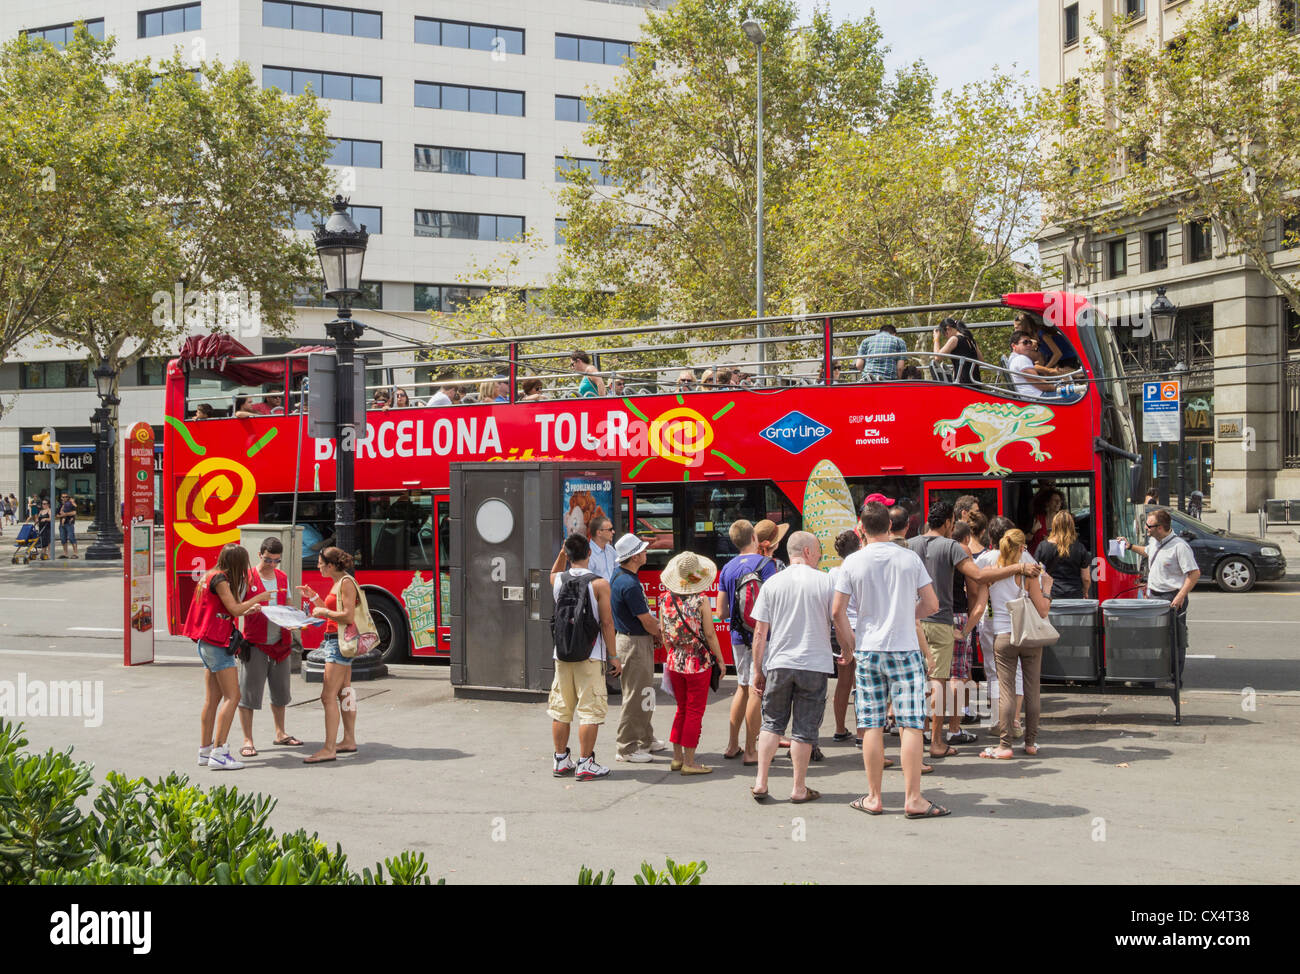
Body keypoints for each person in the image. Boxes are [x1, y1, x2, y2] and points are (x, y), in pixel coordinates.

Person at [832, 502, 948, 818]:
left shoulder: (852, 562)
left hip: (869, 649)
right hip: (905, 648)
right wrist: (905, 615)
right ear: (889, 525)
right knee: (911, 723)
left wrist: (851, 643)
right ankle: (913, 798)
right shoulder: (909, 558)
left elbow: (836, 611)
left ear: (861, 529)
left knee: (870, 724)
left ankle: (873, 797)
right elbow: (932, 603)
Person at [909, 501, 1040, 759]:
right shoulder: (951, 546)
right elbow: (979, 578)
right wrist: (1019, 568)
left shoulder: (911, 545)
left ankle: (918, 734)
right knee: (941, 680)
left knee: (916, 680)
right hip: (942, 619)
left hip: (913, 620)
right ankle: (938, 740)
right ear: (948, 522)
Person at [749, 532, 836, 803]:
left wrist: (757, 669)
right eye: (819, 550)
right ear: (808, 552)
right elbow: (838, 618)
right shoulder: (826, 582)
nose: (821, 555)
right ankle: (798, 787)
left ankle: (761, 781)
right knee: (804, 729)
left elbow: (760, 633)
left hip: (779, 663)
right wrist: (847, 648)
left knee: (772, 723)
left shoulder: (772, 584)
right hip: (814, 663)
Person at [184, 543, 273, 770]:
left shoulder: (210, 576)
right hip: (217, 643)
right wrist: (258, 598)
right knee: (233, 697)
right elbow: (234, 610)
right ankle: (219, 751)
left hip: (206, 641)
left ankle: (205, 751)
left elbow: (225, 608)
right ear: (236, 563)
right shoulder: (221, 579)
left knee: (212, 700)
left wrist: (246, 608)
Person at [970, 529, 1050, 759]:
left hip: (1003, 635)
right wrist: (1048, 590)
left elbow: (979, 606)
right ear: (1022, 548)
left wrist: (965, 631)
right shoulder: (1030, 575)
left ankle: (1005, 745)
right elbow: (1043, 610)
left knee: (1006, 690)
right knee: (1032, 688)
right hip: (1029, 636)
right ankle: (1031, 743)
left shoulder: (990, 574)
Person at [548, 533, 620, 780]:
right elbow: (607, 623)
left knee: (561, 709)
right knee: (589, 711)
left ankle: (560, 759)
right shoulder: (599, 584)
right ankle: (586, 763)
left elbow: (553, 572)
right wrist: (613, 656)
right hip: (591, 655)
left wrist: (561, 555)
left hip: (562, 655)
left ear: (566, 555)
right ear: (589, 553)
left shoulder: (558, 580)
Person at [716, 519, 783, 764]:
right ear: (754, 539)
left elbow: (721, 611)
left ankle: (732, 744)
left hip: (737, 636)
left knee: (743, 687)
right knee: (758, 687)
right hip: (762, 636)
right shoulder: (767, 564)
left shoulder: (727, 569)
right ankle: (750, 750)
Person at [659, 551, 726, 775]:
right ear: (696, 575)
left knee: (681, 709)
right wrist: (721, 659)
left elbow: (664, 634)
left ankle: (676, 758)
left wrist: (673, 655)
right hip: (697, 663)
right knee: (695, 711)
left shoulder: (665, 599)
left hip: (674, 661)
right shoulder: (701, 599)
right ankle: (690, 761)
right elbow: (709, 633)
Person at [236, 538, 302, 757]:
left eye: (276, 561)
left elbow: (289, 606)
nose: (272, 565)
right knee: (249, 693)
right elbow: (236, 608)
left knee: (281, 691)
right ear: (259, 555)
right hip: (256, 643)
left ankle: (280, 732)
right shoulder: (248, 577)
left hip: (279, 643)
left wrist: (298, 621)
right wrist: (251, 606)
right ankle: (248, 739)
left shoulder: (282, 577)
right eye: (267, 560)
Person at [298, 547, 362, 764]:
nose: (318, 566)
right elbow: (333, 611)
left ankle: (329, 748)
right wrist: (315, 598)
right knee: (345, 691)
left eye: (320, 563)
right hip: (338, 640)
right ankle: (349, 739)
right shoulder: (342, 582)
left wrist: (323, 612)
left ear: (331, 565)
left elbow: (347, 616)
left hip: (338, 642)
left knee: (328, 696)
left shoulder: (344, 583)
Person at [609, 533, 666, 763]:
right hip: (634, 643)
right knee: (635, 696)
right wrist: (661, 633)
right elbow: (647, 620)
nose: (646, 553)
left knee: (644, 693)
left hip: (632, 640)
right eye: (642, 550)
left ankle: (645, 738)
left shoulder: (621, 576)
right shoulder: (629, 584)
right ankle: (626, 747)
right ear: (633, 557)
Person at [1126, 508, 1200, 680]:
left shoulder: (1180, 547)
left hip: (1171, 597)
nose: (1146, 528)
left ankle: (1175, 678)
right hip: (1154, 596)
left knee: (1174, 639)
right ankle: (1155, 674)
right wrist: (1130, 546)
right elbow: (1147, 551)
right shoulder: (1155, 542)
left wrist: (1180, 596)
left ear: (1160, 528)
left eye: (1149, 526)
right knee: (1153, 638)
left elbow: (1194, 573)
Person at [827, 529, 861, 746]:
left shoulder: (832, 573)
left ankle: (840, 729)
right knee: (862, 684)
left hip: (838, 630)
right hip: (859, 630)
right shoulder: (861, 569)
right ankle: (861, 733)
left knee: (843, 682)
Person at [1036, 511, 1091, 600]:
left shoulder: (1043, 546)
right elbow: (1086, 578)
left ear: (1054, 526)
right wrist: (1085, 592)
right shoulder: (1080, 547)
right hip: (1074, 595)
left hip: (1051, 595)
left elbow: (1037, 572)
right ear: (1072, 526)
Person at [933, 317, 982, 385]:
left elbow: (937, 358)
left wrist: (936, 339)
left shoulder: (954, 339)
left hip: (963, 383)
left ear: (948, 328)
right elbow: (981, 361)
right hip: (975, 381)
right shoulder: (971, 340)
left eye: (944, 334)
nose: (946, 337)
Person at [1007, 334, 1054, 399]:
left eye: (1030, 342)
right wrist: (1056, 387)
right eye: (1025, 342)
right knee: (1072, 396)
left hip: (1033, 398)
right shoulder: (1021, 359)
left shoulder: (1013, 358)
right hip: (1038, 398)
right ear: (1014, 346)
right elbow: (1040, 384)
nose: (1029, 345)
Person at [586, 516, 618, 581]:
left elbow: (619, 568)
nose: (613, 532)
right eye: (610, 529)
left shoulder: (610, 549)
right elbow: (586, 581)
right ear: (599, 533)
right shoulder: (587, 552)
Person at [57, 493, 78, 559]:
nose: (64, 498)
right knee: (63, 539)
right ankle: (65, 554)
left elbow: (74, 512)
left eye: (66, 497)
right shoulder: (60, 506)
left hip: (69, 523)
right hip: (62, 524)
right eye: (63, 497)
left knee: (71, 538)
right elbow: (57, 515)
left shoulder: (70, 504)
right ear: (61, 498)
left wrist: (65, 514)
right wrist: (63, 515)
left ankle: (75, 553)